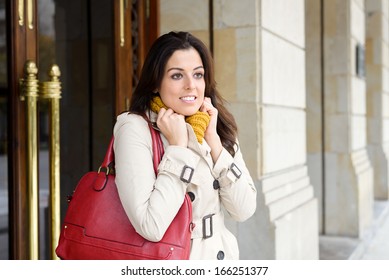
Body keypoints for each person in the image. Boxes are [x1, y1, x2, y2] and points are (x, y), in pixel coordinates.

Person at [113, 31, 257, 260]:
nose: (191, 85)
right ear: (155, 83)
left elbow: (244, 209)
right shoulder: (134, 128)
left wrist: (216, 145)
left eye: (198, 75)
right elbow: (150, 225)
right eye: (177, 76)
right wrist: (178, 149)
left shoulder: (215, 124)